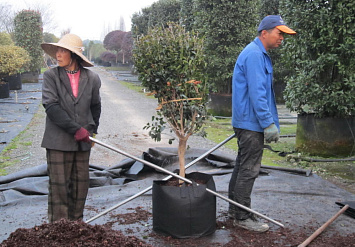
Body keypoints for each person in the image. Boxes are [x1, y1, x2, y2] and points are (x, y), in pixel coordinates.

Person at [229, 15, 296, 232]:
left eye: (284, 35)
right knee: (249, 169)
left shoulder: (259, 54)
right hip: (251, 124)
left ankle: (235, 211)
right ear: (264, 33)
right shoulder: (255, 55)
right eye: (280, 33)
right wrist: (268, 123)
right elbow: (258, 94)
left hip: (248, 121)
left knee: (242, 166)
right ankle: (242, 217)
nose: (282, 39)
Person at [40, 33, 101, 223]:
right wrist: (76, 129)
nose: (57, 55)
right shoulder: (51, 76)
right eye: (57, 50)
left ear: (73, 55)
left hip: (83, 141)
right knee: (59, 187)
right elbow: (51, 107)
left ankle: (76, 226)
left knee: (80, 186)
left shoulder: (92, 78)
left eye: (62, 51)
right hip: (58, 140)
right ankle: (59, 229)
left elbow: (95, 106)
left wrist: (92, 131)